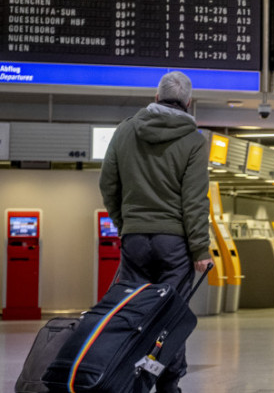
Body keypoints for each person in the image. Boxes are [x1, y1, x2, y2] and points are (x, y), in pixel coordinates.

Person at [99, 71, 212, 393]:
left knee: (131, 312)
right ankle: (167, 385)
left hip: (134, 240)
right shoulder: (193, 140)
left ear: (155, 97)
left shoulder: (125, 131)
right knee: (169, 317)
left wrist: (126, 225)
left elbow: (108, 185)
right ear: (189, 103)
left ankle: (128, 378)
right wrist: (200, 251)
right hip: (174, 244)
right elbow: (194, 201)